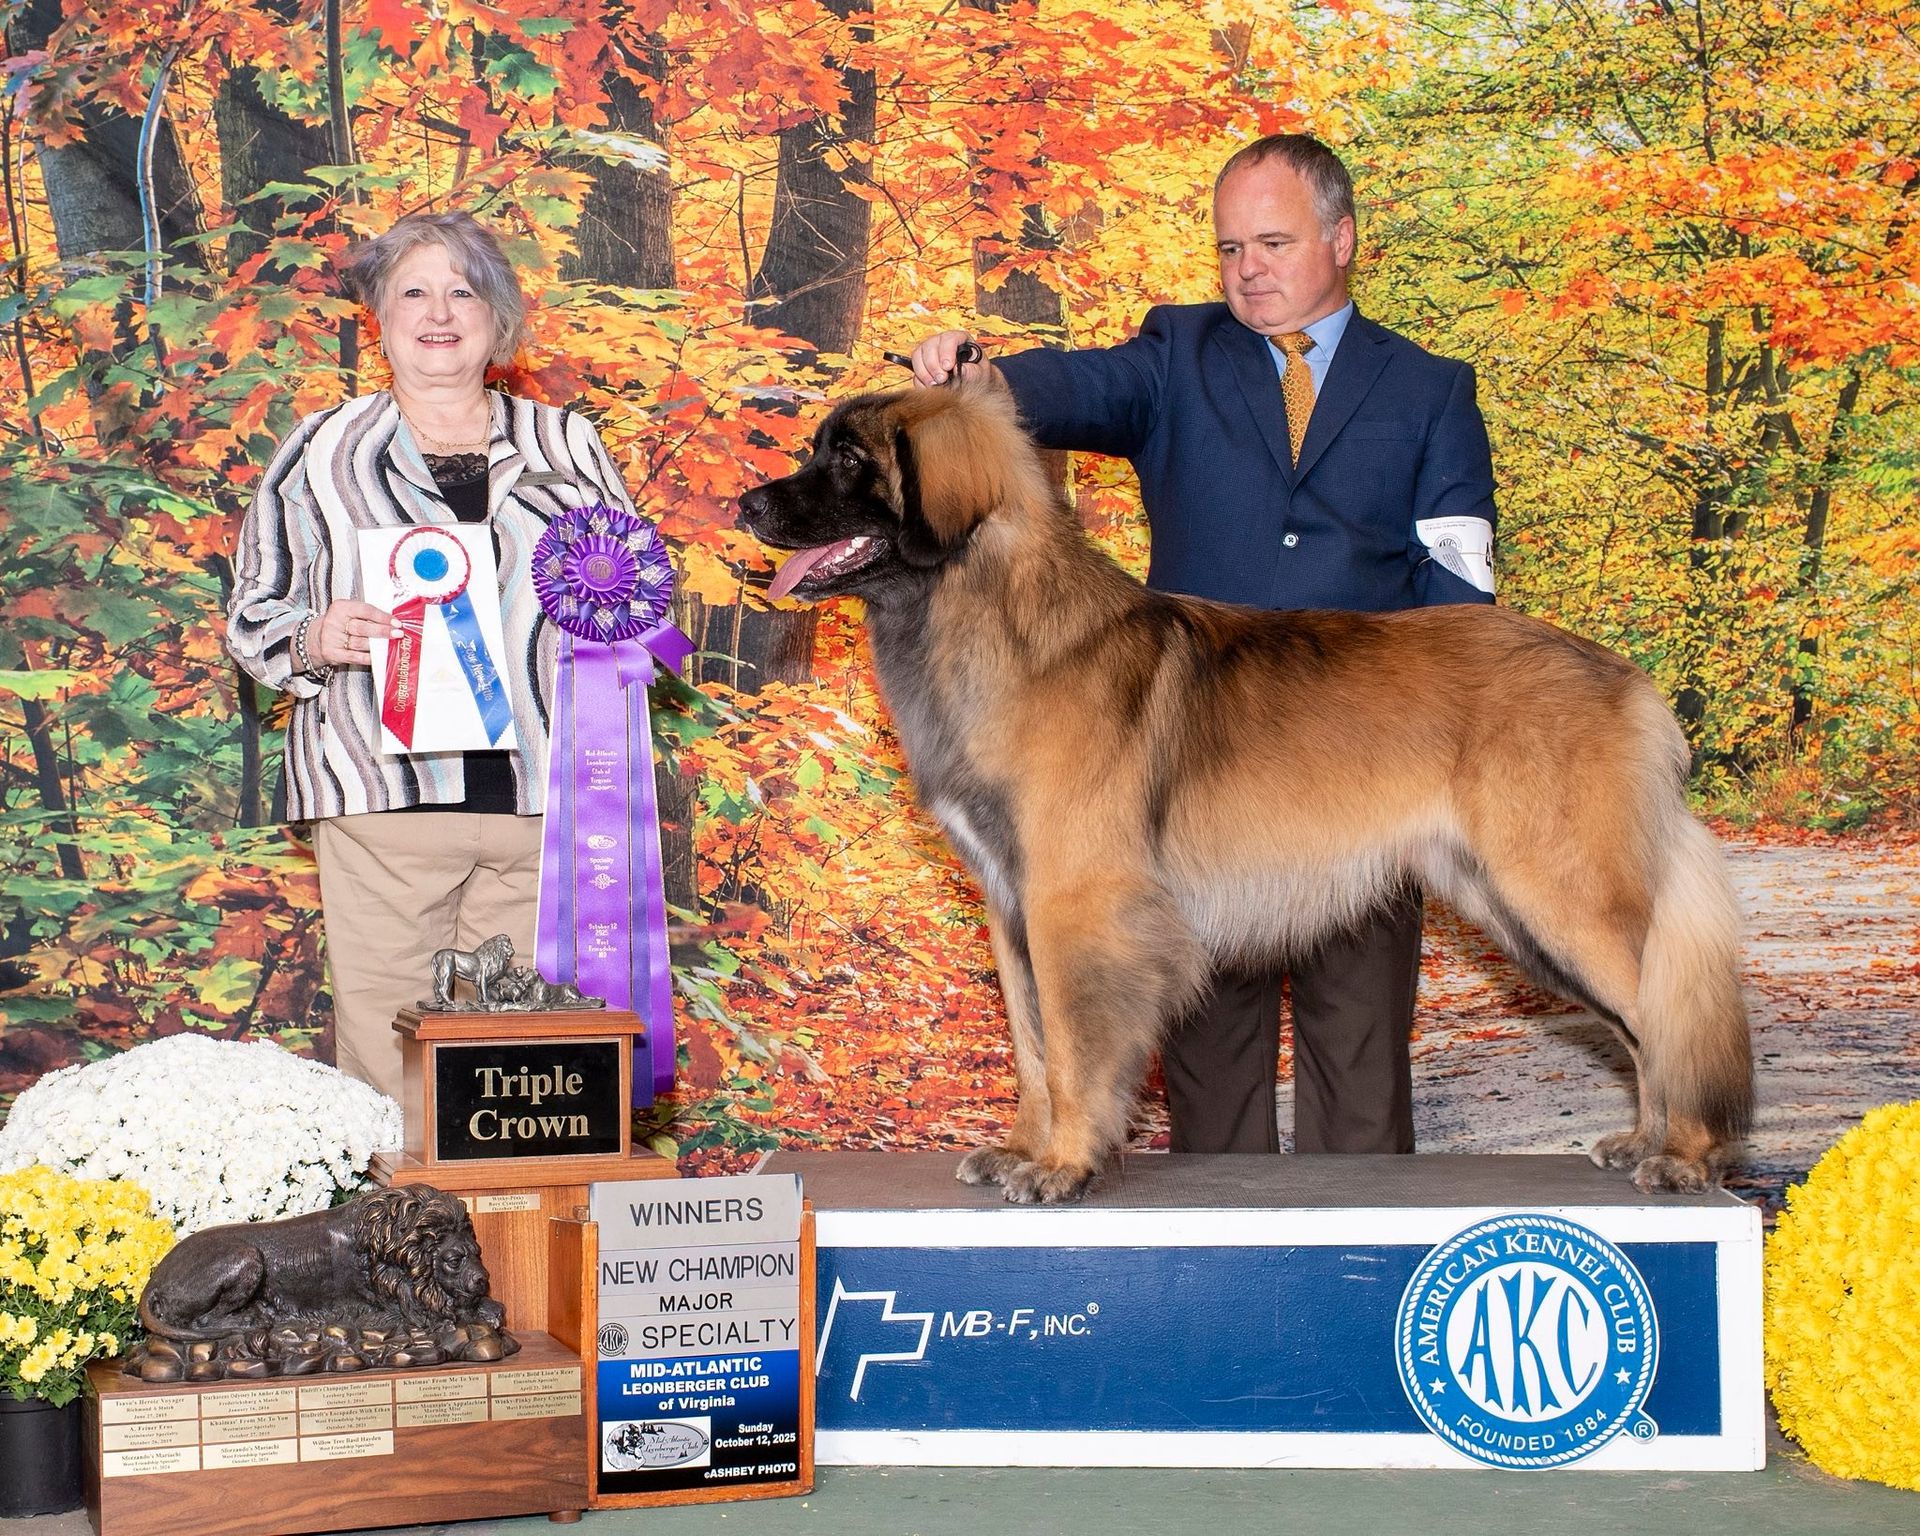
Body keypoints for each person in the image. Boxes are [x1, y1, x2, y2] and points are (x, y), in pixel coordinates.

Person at [909, 133, 1498, 1158]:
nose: (1247, 270)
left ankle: (1360, 1276)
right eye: (1229, 249)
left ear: (1342, 238)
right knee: (1209, 1070)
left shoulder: (1431, 389)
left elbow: (1457, 585)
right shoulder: (1177, 354)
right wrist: (982, 372)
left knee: (1358, 1054)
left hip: (1363, 764)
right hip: (1196, 776)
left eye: (1272, 242)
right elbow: (1074, 388)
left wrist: (1436, 754)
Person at [226, 211, 642, 1101]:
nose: (439, 311)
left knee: (527, 1063)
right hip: (382, 802)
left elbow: (633, 597)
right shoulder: (319, 446)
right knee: (391, 1066)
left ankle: (523, 1234)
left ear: (498, 319)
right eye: (414, 290)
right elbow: (254, 614)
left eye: (464, 290)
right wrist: (314, 635)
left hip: (543, 799)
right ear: (378, 316)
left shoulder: (568, 442)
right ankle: (397, 1238)